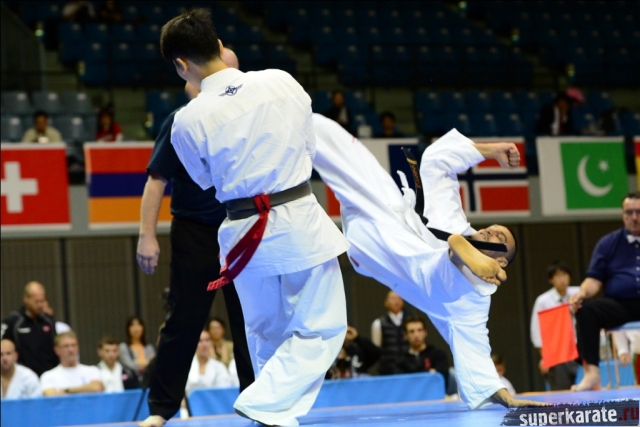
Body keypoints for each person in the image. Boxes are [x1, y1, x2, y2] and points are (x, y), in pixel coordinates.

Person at [155, 9, 349, 427]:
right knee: (322, 326)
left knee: (263, 329)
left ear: (181, 65)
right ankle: (264, 400)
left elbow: (206, 181)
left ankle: (271, 414)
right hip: (297, 219)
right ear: (219, 45)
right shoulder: (281, 81)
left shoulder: (186, 120)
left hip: (242, 231)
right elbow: (308, 145)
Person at [311, 113, 546, 409]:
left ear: (502, 262)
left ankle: (458, 256)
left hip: (382, 253)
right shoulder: (454, 221)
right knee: (345, 148)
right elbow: (437, 163)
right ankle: (295, 118)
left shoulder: (474, 300)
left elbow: (475, 349)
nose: (492, 231)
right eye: (494, 228)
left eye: (501, 239)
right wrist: (490, 150)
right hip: (384, 215)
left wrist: (502, 394)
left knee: (441, 272)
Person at [136, 44, 253, 427]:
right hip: (196, 232)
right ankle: (161, 409)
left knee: (251, 320)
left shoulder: (249, 117)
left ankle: (260, 403)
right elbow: (156, 180)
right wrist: (146, 235)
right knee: (184, 321)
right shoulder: (181, 121)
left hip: (243, 229)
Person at [569, 192, 640, 391]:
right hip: (620, 305)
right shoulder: (608, 243)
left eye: (639, 212)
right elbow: (594, 279)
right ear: (623, 214)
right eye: (629, 212)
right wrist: (582, 293)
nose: (634, 217)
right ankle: (592, 373)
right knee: (587, 309)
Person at [530, 263, 580, 390]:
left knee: (586, 393)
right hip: (558, 354)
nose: (562, 279)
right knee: (561, 394)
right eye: (557, 276)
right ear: (551, 280)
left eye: (564, 275)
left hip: (580, 350)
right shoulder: (543, 301)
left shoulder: (578, 294)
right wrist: (546, 357)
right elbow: (536, 332)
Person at [1, 281, 58, 376]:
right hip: (23, 376)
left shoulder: (48, 320)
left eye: (42, 301)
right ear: (26, 299)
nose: (39, 305)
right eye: (36, 301)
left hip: (48, 375)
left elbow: (55, 346)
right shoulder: (13, 321)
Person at [395, 316, 450, 393]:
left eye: (419, 330)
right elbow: (402, 386)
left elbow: (442, 381)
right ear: (405, 335)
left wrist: (413, 375)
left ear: (425, 332)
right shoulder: (400, 361)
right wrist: (429, 373)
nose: (416, 335)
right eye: (412, 331)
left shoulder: (438, 355)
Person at [371, 291, 410, 375]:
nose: (396, 301)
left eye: (399, 298)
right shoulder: (378, 323)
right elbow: (376, 350)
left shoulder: (410, 321)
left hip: (409, 368)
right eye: (393, 298)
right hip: (388, 370)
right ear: (386, 302)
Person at [185, 330, 233, 397]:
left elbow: (224, 390)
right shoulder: (185, 365)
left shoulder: (219, 366)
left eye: (207, 340)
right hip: (188, 402)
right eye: (200, 341)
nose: (204, 345)